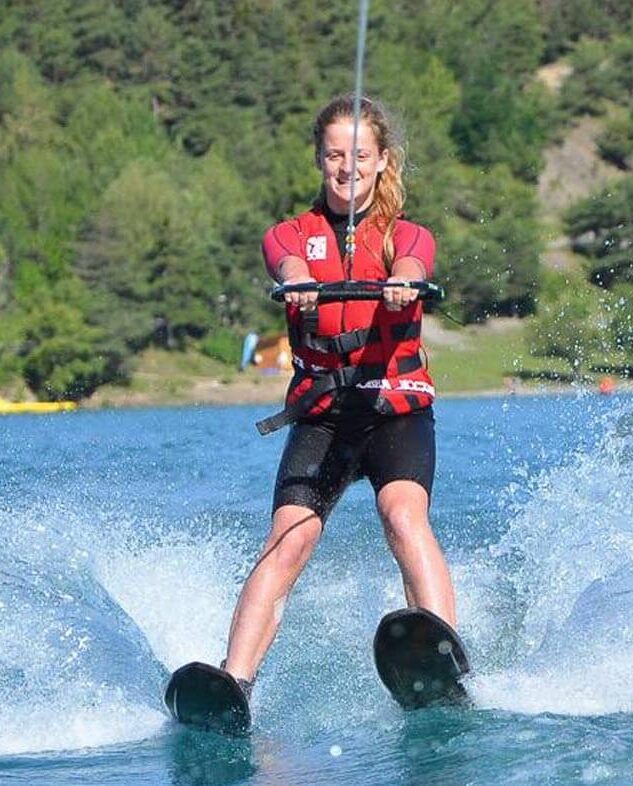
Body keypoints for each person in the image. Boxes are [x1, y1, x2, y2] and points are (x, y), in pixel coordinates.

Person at [221, 95, 457, 697]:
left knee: (402, 516)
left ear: (382, 162)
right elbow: (287, 263)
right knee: (288, 538)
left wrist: (403, 282)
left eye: (359, 155)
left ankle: (446, 657)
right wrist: (297, 283)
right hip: (324, 418)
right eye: (333, 155)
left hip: (393, 410)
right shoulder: (289, 235)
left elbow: (413, 258)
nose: (345, 167)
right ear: (319, 160)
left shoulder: (408, 236)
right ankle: (234, 682)